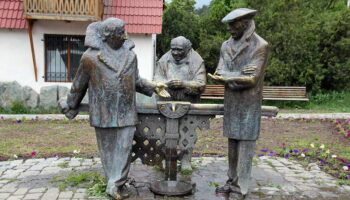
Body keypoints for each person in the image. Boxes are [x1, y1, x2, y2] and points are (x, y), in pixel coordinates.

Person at [59, 18, 169, 200]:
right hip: (103, 113)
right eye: (120, 32)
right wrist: (70, 104)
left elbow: (136, 82)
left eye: (124, 31)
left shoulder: (131, 56)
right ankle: (114, 183)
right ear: (108, 35)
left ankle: (116, 183)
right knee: (108, 153)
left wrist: (154, 87)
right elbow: (79, 85)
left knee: (125, 149)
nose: (124, 36)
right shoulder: (90, 58)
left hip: (126, 112)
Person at [209, 8, 269, 196]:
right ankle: (231, 181)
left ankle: (241, 186)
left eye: (233, 25)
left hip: (249, 103)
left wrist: (228, 77)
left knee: (246, 144)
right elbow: (219, 71)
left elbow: (252, 79)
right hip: (232, 101)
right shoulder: (225, 45)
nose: (230, 29)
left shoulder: (260, 45)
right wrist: (237, 75)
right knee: (232, 144)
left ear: (245, 23)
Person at [154, 36, 206, 170]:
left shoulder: (197, 61)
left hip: (188, 102)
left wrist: (184, 84)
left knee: (188, 131)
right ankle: (167, 158)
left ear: (187, 49)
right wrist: (166, 83)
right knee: (166, 132)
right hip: (167, 102)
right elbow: (157, 78)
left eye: (179, 50)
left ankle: (185, 160)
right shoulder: (164, 60)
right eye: (173, 49)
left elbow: (201, 84)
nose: (175, 53)